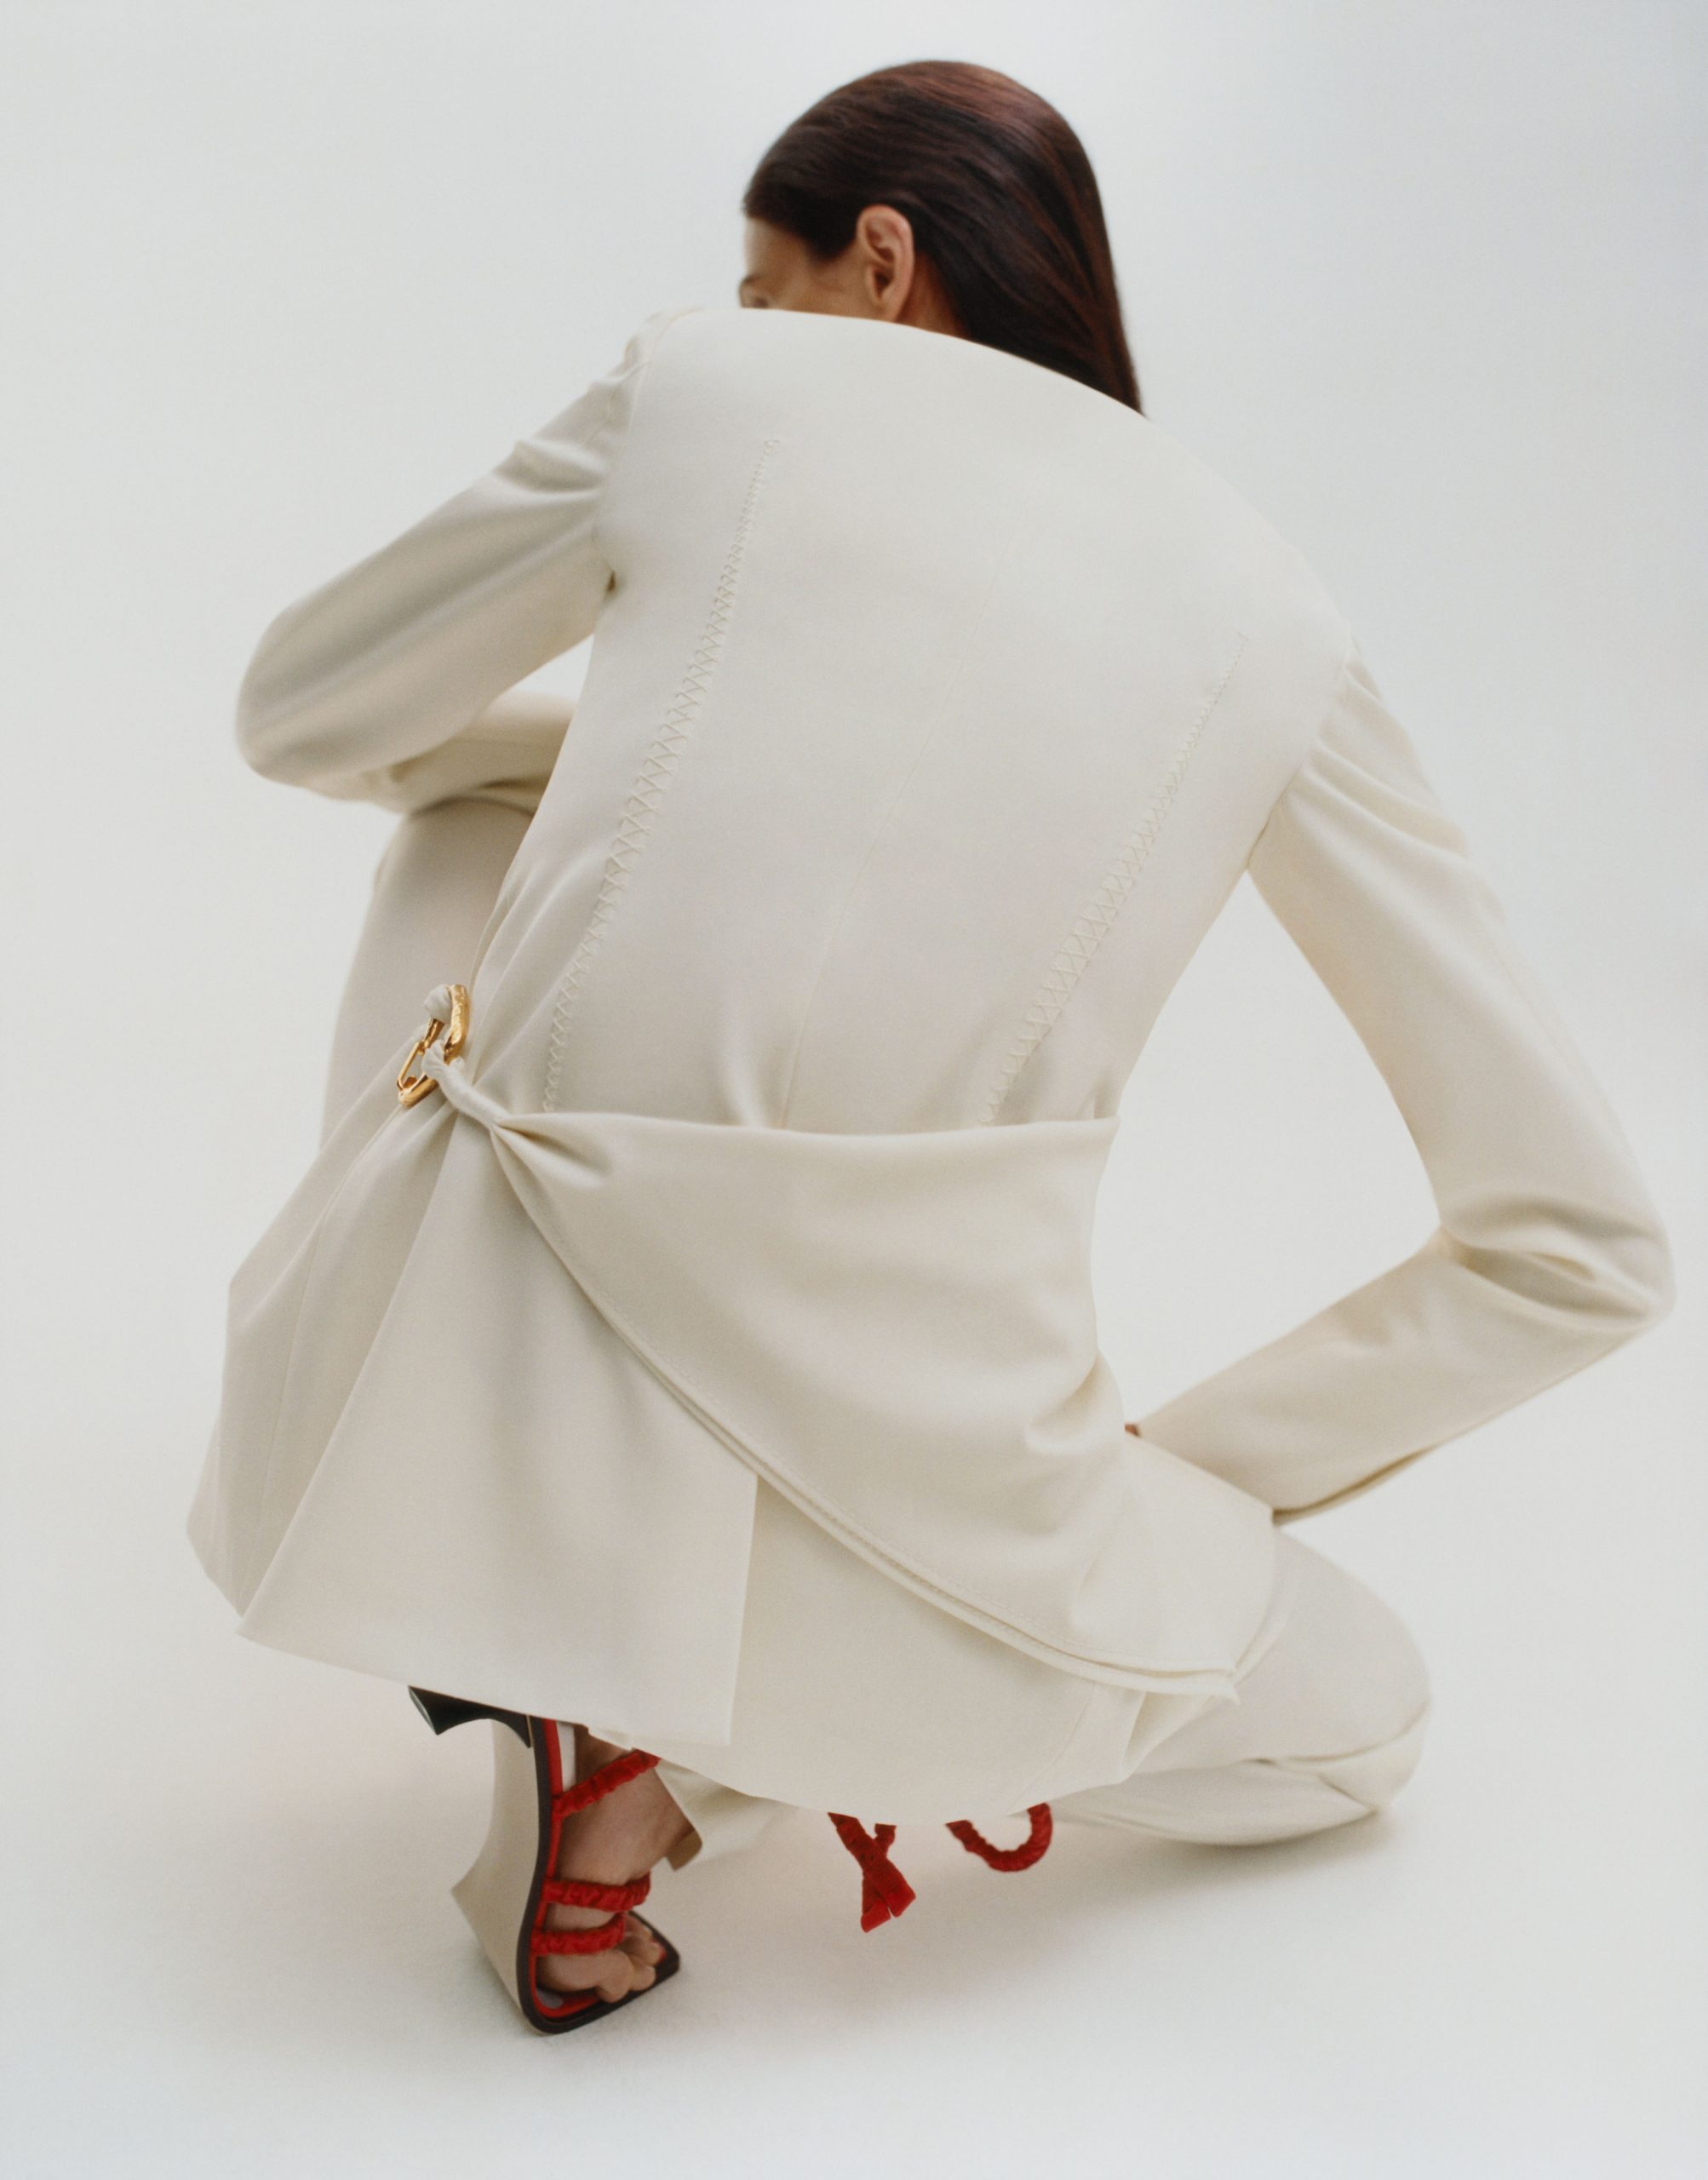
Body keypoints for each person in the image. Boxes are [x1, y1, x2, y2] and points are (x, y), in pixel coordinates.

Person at [191, 61, 1675, 2034]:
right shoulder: (1272, 622)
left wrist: (632, 776)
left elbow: (306, 712)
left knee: (458, 819)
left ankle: (584, 1659)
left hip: (418, 1389)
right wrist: (1170, 1476)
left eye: (764, 278)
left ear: (880, 262)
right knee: (1363, 1725)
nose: (744, 319)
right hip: (927, 1494)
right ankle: (683, 1762)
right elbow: (1579, 1242)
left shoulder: (693, 394)